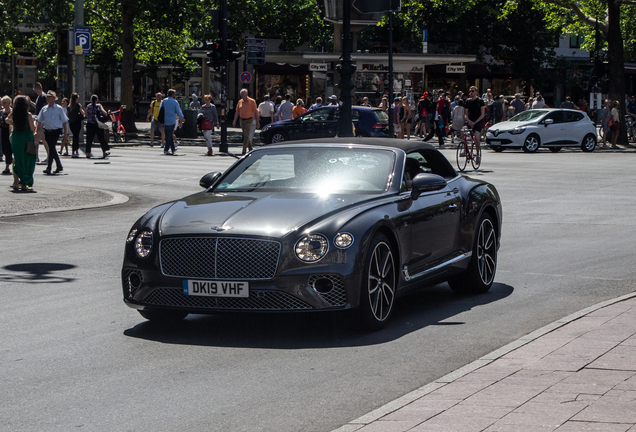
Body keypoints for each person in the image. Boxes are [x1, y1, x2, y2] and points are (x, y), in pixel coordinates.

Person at [7, 95, 36, 191]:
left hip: (16, 138)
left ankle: (16, 182)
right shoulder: (28, 115)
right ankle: (25, 183)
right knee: (27, 160)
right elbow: (32, 129)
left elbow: (6, 120)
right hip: (26, 138)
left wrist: (13, 123)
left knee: (17, 159)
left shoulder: (14, 114)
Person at [36, 90, 68, 175]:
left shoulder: (59, 109)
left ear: (54, 98)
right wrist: (36, 131)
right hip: (47, 131)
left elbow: (64, 121)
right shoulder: (44, 109)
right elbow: (39, 120)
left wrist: (65, 133)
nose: (48, 99)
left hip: (56, 131)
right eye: (47, 97)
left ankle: (49, 167)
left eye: (50, 97)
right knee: (52, 148)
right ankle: (59, 166)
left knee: (51, 148)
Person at [232, 88, 259, 155]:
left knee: (246, 135)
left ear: (246, 94)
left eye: (243, 94)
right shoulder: (240, 102)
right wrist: (234, 120)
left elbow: (256, 111)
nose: (241, 95)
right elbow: (237, 111)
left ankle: (244, 150)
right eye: (241, 94)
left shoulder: (252, 101)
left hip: (249, 120)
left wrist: (257, 122)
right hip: (242, 120)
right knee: (245, 135)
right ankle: (250, 149)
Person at [464, 85, 486, 163]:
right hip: (470, 120)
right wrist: (468, 120)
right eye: (470, 91)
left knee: (477, 137)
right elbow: (466, 114)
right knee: (462, 131)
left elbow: (482, 114)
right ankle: (465, 150)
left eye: (473, 91)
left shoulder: (480, 101)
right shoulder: (467, 101)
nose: (471, 93)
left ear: (476, 92)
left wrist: (475, 122)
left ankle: (477, 154)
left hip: (478, 121)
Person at [85, 95, 111, 159]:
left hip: (90, 124)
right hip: (98, 124)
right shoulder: (99, 106)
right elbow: (104, 113)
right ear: (97, 100)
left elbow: (87, 116)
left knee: (89, 139)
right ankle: (104, 152)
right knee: (101, 138)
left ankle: (88, 153)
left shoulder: (88, 106)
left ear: (91, 100)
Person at [28, 82, 48, 163]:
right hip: (38, 118)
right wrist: (30, 102)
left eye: (35, 90)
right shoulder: (39, 97)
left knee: (36, 139)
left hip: (40, 120)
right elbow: (37, 107)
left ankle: (36, 156)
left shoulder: (43, 97)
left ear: (38, 88)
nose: (35, 92)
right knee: (43, 139)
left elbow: (44, 108)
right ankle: (46, 156)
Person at [160, 89, 185, 155]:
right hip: (172, 120)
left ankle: (173, 148)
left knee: (169, 134)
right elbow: (178, 111)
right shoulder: (175, 102)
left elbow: (160, 109)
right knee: (169, 135)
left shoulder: (164, 101)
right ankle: (166, 149)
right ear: (173, 94)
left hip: (165, 120)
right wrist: (181, 118)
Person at [67, 93, 85, 158]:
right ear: (76, 99)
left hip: (71, 123)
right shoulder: (78, 105)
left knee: (74, 136)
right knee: (76, 136)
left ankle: (73, 151)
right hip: (77, 122)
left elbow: (67, 115)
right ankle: (76, 150)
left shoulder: (69, 106)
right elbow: (83, 112)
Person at [1, 96, 12, 175]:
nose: (3, 104)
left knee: (8, 149)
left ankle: (7, 167)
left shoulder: (11, 112)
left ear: (8, 103)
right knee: (4, 149)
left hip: (10, 132)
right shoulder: (1, 111)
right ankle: (10, 159)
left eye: (4, 102)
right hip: (3, 132)